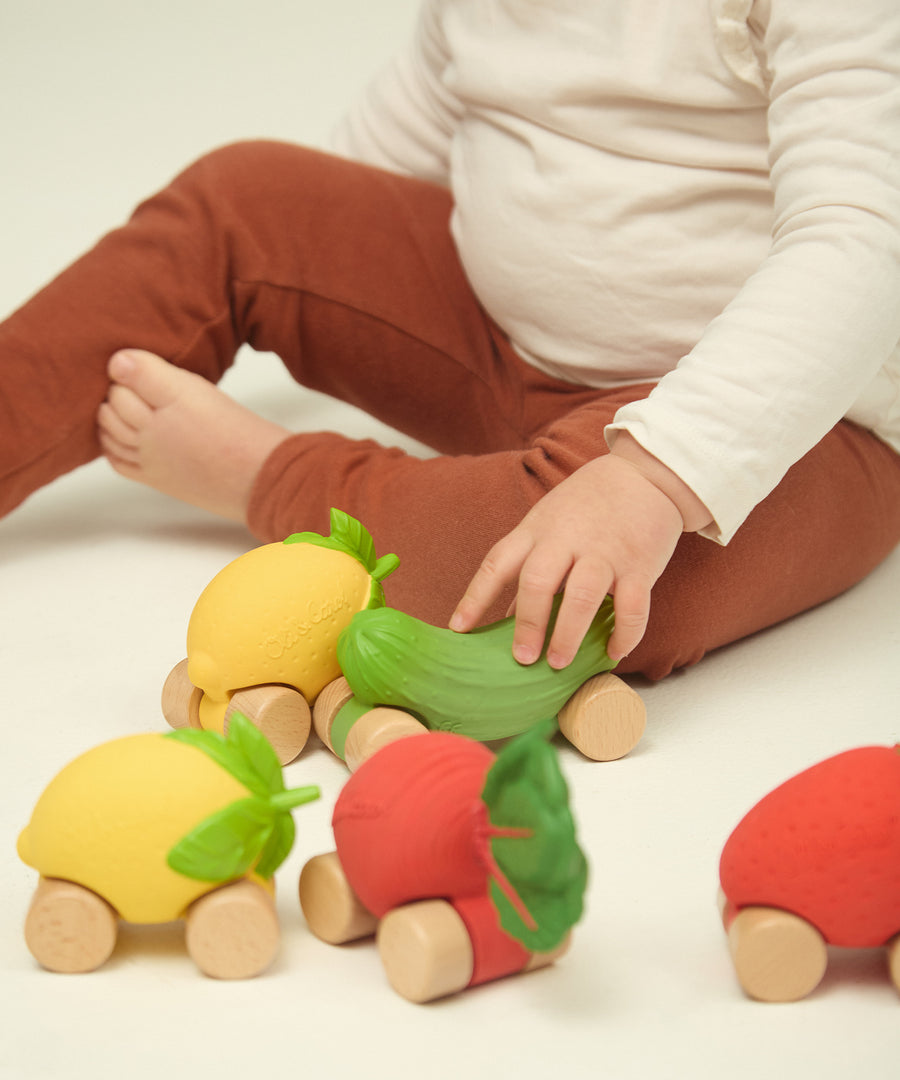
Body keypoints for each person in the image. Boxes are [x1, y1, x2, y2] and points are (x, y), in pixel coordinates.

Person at [2, 1, 899, 682]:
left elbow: (861, 243)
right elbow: (393, 151)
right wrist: (312, 264)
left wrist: (651, 478)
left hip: (776, 433)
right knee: (245, 197)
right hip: (499, 349)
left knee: (578, 595)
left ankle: (274, 479)